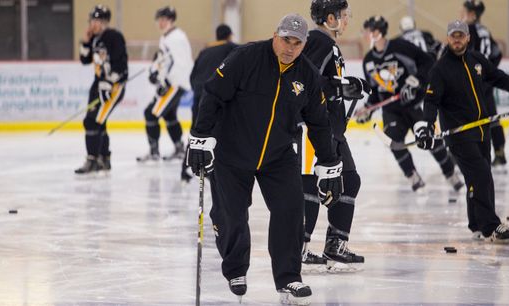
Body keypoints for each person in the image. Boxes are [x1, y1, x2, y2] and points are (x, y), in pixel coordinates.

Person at [186, 13, 344, 305]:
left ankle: (289, 277)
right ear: (275, 35)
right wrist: (199, 137)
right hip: (232, 151)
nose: (290, 48)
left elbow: (320, 123)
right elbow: (213, 93)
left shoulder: (307, 74)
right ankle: (235, 268)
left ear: (304, 44)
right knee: (231, 215)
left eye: (297, 43)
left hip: (277, 155)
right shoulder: (245, 57)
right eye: (286, 40)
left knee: (291, 209)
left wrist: (329, 163)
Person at [414, 20, 509, 242]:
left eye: (461, 35)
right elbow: (431, 101)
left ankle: (476, 223)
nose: (457, 39)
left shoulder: (476, 60)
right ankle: (491, 227)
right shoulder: (440, 69)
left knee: (478, 177)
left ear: (467, 38)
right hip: (459, 134)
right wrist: (427, 125)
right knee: (482, 174)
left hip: (482, 130)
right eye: (453, 35)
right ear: (448, 38)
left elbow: (496, 76)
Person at [298, 0, 368, 269]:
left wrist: (345, 86)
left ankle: (335, 244)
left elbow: (324, 82)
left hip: (332, 129)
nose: (347, 20)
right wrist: (340, 86)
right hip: (316, 128)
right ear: (329, 18)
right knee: (311, 187)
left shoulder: (330, 45)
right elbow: (305, 79)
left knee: (349, 180)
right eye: (343, 15)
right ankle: (299, 248)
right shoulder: (319, 41)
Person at [356, 15, 463, 192]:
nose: (365, 34)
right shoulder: (368, 60)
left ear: (377, 32)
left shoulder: (400, 46)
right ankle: (412, 175)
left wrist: (416, 80)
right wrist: (368, 108)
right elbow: (375, 90)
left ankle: (450, 173)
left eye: (367, 31)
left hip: (414, 104)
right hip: (391, 109)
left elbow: (427, 61)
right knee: (393, 141)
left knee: (431, 141)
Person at [180, 24, 238, 183]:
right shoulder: (232, 48)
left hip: (200, 96)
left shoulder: (205, 51)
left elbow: (193, 77)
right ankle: (215, 171)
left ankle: (185, 170)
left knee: (197, 132)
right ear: (229, 36)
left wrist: (199, 93)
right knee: (218, 133)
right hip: (217, 98)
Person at [137, 6, 194, 162]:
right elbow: (164, 60)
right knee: (169, 115)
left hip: (175, 84)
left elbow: (183, 64)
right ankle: (179, 148)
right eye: (159, 20)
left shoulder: (177, 37)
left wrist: (167, 82)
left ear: (171, 20)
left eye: (164, 20)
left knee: (150, 113)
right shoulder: (167, 37)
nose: (160, 23)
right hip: (172, 84)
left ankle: (154, 152)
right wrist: (154, 72)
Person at [76, 5, 128, 174]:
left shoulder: (114, 37)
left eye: (95, 21)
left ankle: (92, 160)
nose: (92, 24)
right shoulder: (94, 38)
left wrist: (110, 83)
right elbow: (84, 60)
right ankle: (104, 158)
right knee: (99, 121)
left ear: (103, 22)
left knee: (92, 121)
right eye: (92, 20)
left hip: (113, 88)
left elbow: (121, 66)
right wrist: (85, 41)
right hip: (97, 85)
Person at [461, 0, 506, 169]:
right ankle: (500, 152)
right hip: (486, 79)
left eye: (464, 11)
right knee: (492, 116)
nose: (461, 14)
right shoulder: (485, 30)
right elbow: (497, 53)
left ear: (472, 14)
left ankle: (469, 153)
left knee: (469, 116)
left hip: (474, 80)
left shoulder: (469, 30)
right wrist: (490, 71)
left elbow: (464, 54)